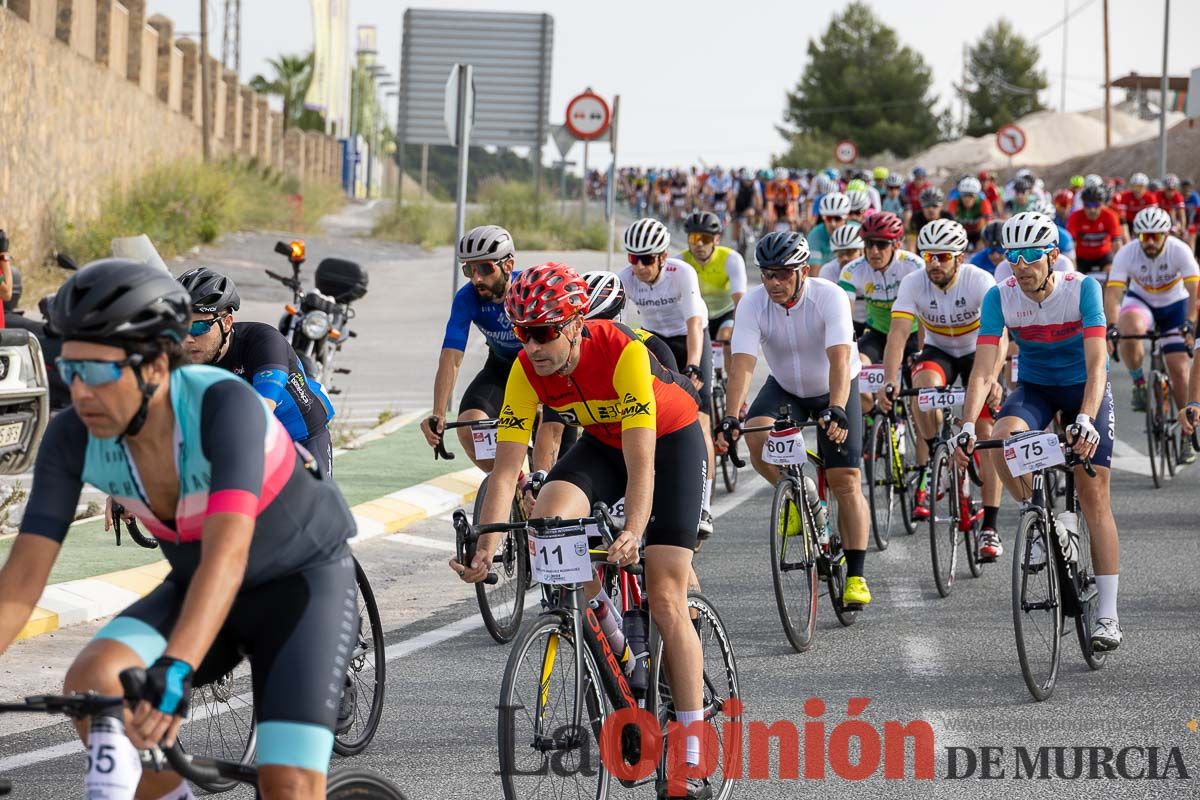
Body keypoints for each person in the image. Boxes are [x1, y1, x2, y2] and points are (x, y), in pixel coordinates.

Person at [0, 260, 358, 799]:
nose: (80, 394)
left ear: (154, 367)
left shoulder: (223, 405)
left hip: (300, 588)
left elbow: (228, 555)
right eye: (70, 372)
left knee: (287, 784)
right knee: (93, 680)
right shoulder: (72, 437)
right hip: (199, 590)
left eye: (98, 373)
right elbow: (21, 580)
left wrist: (174, 666)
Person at [454, 263, 713, 799]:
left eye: (544, 331)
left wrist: (634, 530)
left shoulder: (625, 353)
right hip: (603, 442)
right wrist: (487, 549)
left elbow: (643, 466)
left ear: (574, 324)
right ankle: (618, 643)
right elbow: (506, 471)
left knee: (665, 594)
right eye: (522, 332)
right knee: (550, 517)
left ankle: (691, 742)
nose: (533, 344)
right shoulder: (528, 368)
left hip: (669, 440)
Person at [955, 213, 1123, 653]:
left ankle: (1108, 614)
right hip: (1036, 389)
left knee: (1093, 494)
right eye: (1013, 256)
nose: (1021, 265)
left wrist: (1085, 418)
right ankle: (1040, 516)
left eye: (1030, 256)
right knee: (1003, 440)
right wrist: (968, 424)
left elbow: (1097, 366)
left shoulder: (1082, 287)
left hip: (1083, 389)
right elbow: (983, 369)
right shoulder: (1000, 297)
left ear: (1052, 255)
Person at [717, 231, 873, 607]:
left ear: (803, 270)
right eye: (767, 274)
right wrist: (730, 415)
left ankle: (856, 574)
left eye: (783, 273)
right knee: (755, 434)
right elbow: (742, 364)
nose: (774, 282)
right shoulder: (754, 304)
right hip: (786, 386)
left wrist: (836, 407)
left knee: (845, 480)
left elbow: (839, 359)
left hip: (835, 386)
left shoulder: (829, 296)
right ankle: (800, 494)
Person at [878, 219, 1005, 549]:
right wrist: (890, 380)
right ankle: (935, 451)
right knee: (922, 387)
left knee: (988, 434)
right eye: (928, 255)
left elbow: (1000, 334)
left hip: (979, 350)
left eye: (943, 257)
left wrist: (992, 378)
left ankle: (990, 525)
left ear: (959, 258)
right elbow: (897, 335)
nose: (933, 263)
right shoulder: (913, 283)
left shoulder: (980, 280)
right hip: (939, 350)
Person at [179, 267, 336, 476]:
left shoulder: (262, 341)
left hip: (301, 437)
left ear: (226, 323)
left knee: (316, 506)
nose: (187, 338)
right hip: (242, 441)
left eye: (198, 328)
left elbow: (262, 410)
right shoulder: (180, 352)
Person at [620, 218, 716, 538]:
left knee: (698, 417)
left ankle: (703, 505)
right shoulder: (626, 279)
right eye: (633, 259)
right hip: (655, 340)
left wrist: (693, 366)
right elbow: (615, 326)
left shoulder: (681, 273)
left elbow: (693, 323)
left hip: (689, 338)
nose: (640, 267)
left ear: (662, 257)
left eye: (646, 260)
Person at [421, 225, 523, 472]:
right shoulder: (467, 298)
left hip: (542, 370)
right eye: (469, 269)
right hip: (501, 366)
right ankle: (514, 485)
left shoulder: (528, 288)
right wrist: (438, 413)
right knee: (470, 426)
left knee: (549, 437)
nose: (476, 278)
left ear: (508, 266)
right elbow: (451, 358)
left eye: (485, 268)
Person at [1105, 206, 1199, 430]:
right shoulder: (1127, 253)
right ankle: (1139, 382)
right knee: (1129, 328)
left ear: (1166, 235)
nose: (1149, 242)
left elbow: (1194, 289)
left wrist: (1190, 323)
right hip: (1141, 301)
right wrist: (1111, 326)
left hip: (1175, 304)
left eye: (1155, 236)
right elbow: (1113, 294)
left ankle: (1187, 429)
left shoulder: (1180, 250)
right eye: (1144, 236)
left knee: (1179, 368)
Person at [839, 211, 923, 410]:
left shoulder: (914, 266)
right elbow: (844, 316)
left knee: (918, 399)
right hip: (877, 334)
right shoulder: (852, 271)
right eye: (869, 244)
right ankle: (873, 417)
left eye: (882, 244)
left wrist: (922, 350)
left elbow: (924, 313)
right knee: (856, 367)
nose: (874, 251)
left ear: (896, 245)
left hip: (911, 334)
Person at [679, 210, 747, 361]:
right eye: (694, 238)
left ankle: (729, 382)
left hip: (724, 313)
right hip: (695, 315)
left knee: (726, 340)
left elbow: (740, 302)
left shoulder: (731, 259)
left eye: (706, 238)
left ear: (717, 239)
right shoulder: (680, 261)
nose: (700, 244)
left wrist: (738, 331)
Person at [820, 224, 867, 336]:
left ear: (862, 251)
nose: (845, 258)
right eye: (840, 254)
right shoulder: (828, 271)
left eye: (850, 252)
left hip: (873, 324)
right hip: (845, 322)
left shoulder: (872, 268)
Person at [1067, 185, 1124, 277]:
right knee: (1074, 276)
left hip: (1103, 256)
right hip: (1081, 257)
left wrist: (1121, 266)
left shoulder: (1111, 216)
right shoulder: (1075, 217)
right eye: (1088, 205)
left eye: (1096, 205)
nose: (1092, 210)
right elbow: (1071, 245)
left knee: (1112, 272)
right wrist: (1072, 267)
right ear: (1083, 204)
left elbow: (1117, 243)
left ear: (1102, 204)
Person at [947, 177, 994, 249]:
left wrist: (983, 239)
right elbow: (949, 223)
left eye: (971, 195)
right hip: (961, 232)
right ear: (960, 195)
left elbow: (989, 223)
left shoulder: (983, 202)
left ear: (976, 195)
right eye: (964, 195)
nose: (967, 199)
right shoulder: (954, 202)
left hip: (978, 232)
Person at [806, 192, 851, 266]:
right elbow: (814, 271)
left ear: (846, 218)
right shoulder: (815, 235)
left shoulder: (856, 232)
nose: (833, 224)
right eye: (828, 218)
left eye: (837, 218)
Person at [1115, 172, 1160, 238]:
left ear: (1145, 187)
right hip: (1129, 222)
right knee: (1122, 225)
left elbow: (1154, 214)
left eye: (1140, 187)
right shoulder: (1125, 196)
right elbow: (1122, 215)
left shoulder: (1150, 197)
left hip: (1145, 221)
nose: (1138, 190)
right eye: (1135, 187)